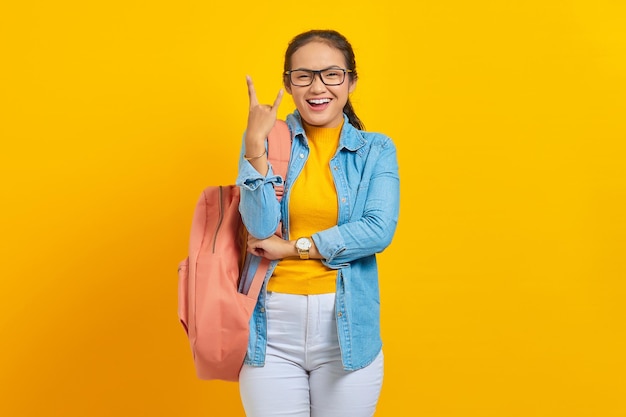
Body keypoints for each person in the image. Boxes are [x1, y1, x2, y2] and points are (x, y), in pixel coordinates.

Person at [235, 29, 400, 417]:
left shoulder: (376, 149)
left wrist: (295, 248)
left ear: (351, 81)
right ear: (288, 85)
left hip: (346, 334)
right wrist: (252, 146)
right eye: (304, 76)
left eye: (331, 74)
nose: (317, 86)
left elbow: (378, 229)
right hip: (270, 332)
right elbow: (259, 228)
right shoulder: (269, 141)